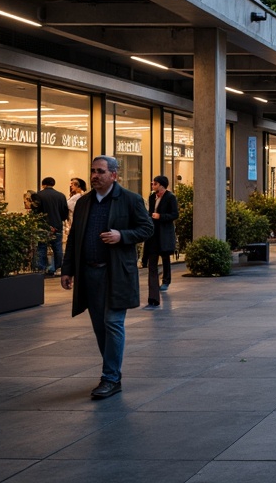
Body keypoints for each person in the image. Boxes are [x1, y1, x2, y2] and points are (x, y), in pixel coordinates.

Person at [61, 155, 153, 399]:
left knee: (112, 324)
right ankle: (113, 373)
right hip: (89, 273)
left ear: (114, 175)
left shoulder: (130, 200)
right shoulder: (84, 203)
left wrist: (121, 235)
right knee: (100, 327)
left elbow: (147, 228)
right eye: (93, 171)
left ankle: (110, 378)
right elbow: (74, 239)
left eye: (100, 171)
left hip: (116, 273)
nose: (95, 175)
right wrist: (67, 269)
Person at [142, 176, 178, 307]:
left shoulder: (170, 197)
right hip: (153, 232)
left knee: (165, 256)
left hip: (164, 232)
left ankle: (166, 280)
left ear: (162, 185)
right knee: (152, 258)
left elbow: (175, 214)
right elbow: (150, 212)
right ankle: (153, 288)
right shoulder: (152, 197)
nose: (152, 185)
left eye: (155, 183)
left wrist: (161, 216)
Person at [32, 176, 68, 275]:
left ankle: (41, 268)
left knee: (41, 247)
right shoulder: (61, 196)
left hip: (42, 226)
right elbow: (65, 212)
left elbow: (35, 211)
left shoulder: (38, 195)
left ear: (43, 184)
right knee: (57, 248)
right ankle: (59, 268)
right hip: (57, 225)